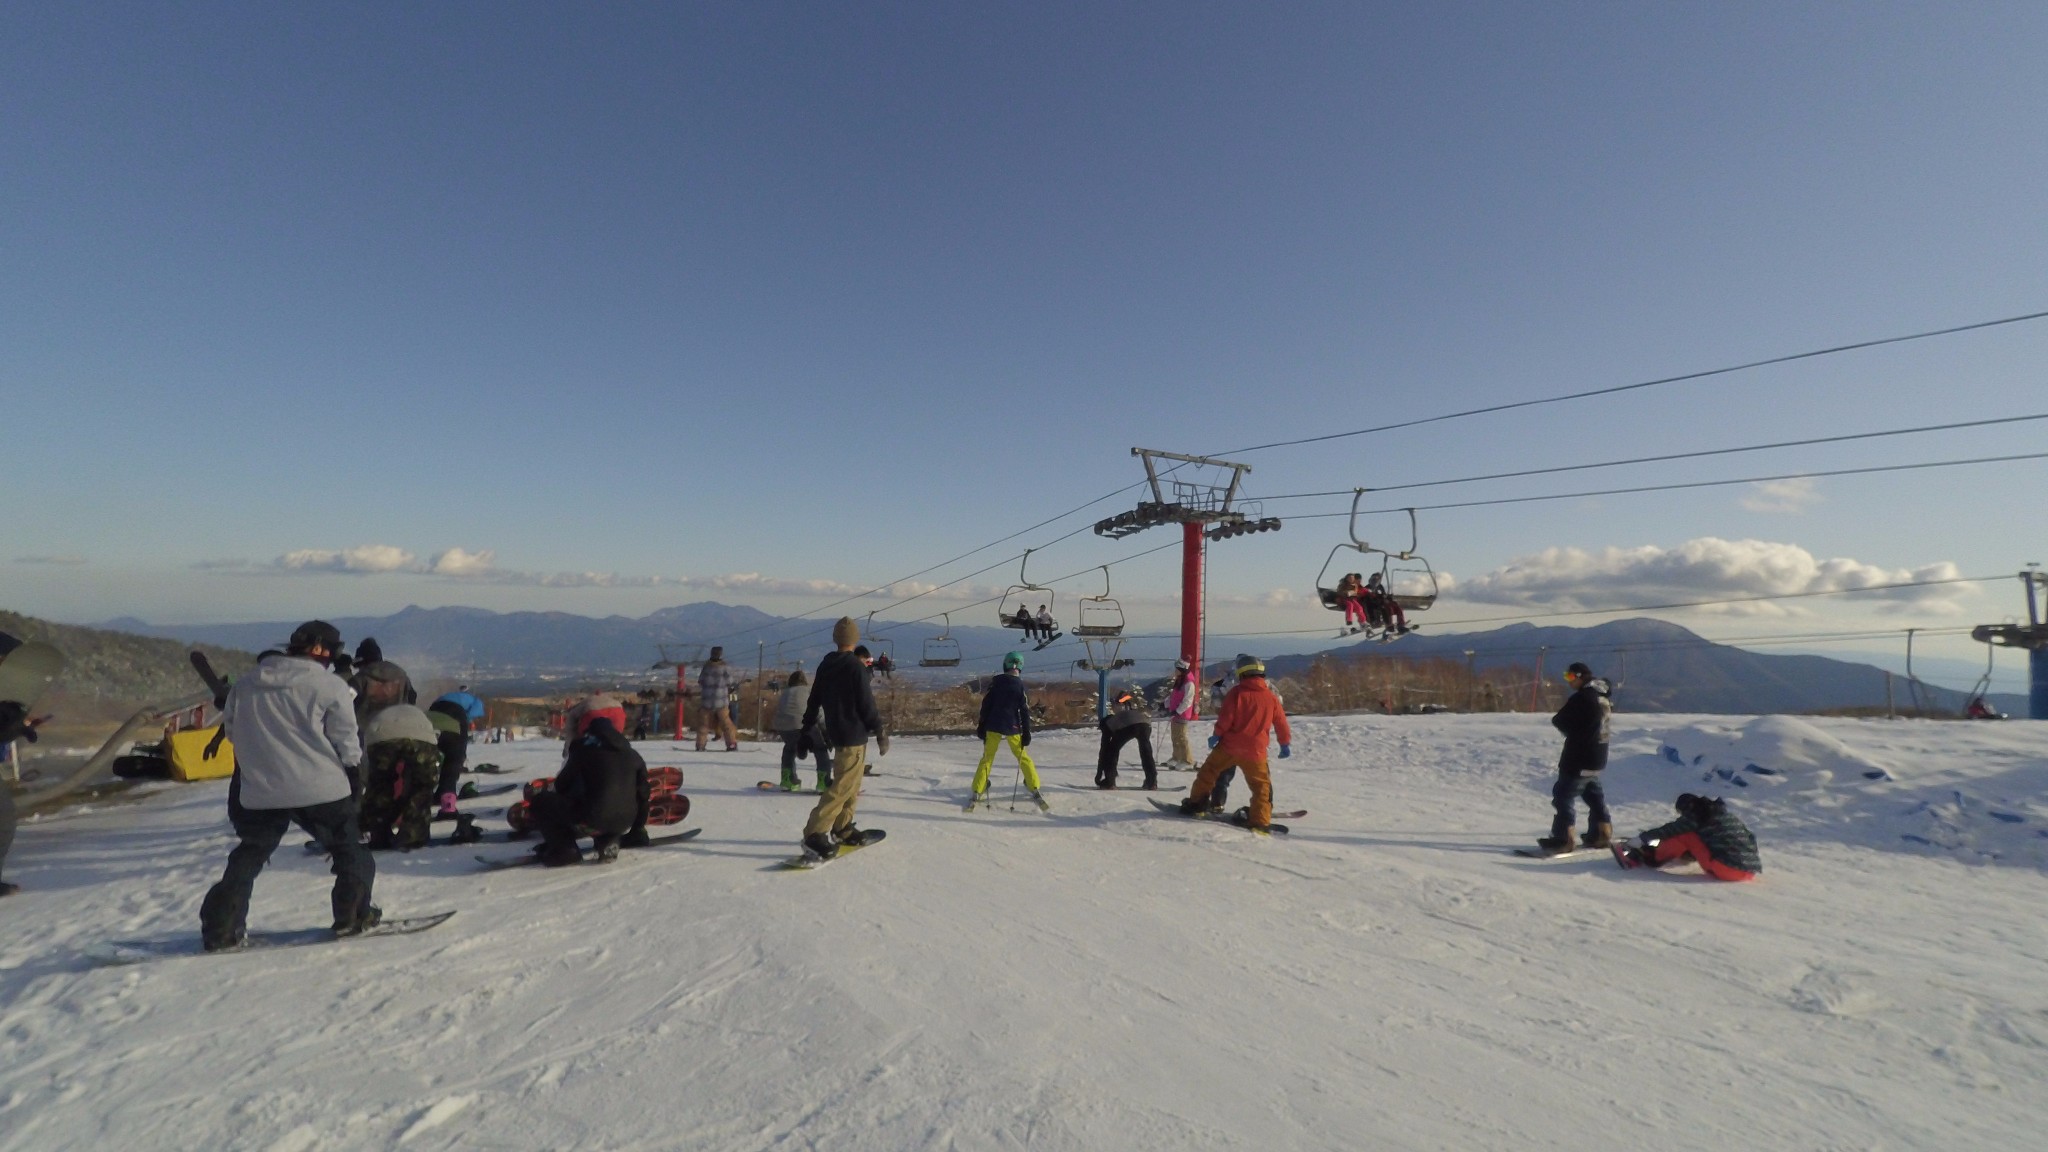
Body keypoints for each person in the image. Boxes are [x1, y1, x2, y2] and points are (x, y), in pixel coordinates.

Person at [199, 621, 377, 951]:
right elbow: (346, 739)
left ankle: (221, 928)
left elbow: (234, 734)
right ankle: (352, 915)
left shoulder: (246, 684)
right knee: (349, 848)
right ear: (324, 651)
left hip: (259, 790)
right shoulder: (329, 685)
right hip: (321, 787)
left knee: (249, 855)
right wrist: (353, 775)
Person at [797, 617, 887, 860]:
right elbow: (867, 704)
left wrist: (807, 729)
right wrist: (879, 730)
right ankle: (814, 833)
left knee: (852, 784)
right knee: (843, 786)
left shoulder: (826, 665)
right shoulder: (855, 667)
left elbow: (813, 700)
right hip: (854, 734)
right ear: (855, 639)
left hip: (837, 732)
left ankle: (842, 827)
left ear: (836, 638)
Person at [1178, 654, 1291, 830]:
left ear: (1242, 673)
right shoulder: (1271, 698)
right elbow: (1281, 723)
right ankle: (1260, 821)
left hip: (1229, 747)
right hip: (1256, 752)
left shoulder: (1236, 693)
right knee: (1261, 786)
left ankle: (1196, 805)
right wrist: (1284, 743)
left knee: (1208, 773)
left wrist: (1217, 734)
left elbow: (1226, 718)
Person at [531, 716, 652, 866]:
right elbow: (644, 794)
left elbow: (562, 785)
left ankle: (565, 849)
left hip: (593, 818)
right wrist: (638, 828)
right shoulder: (634, 756)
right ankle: (607, 841)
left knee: (541, 802)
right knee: (604, 809)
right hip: (625, 822)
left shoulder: (584, 751)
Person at [1537, 661, 1613, 854]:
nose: (1568, 682)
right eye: (1566, 677)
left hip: (1578, 757)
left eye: (1570, 677)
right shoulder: (1601, 697)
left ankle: (1564, 838)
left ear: (1580, 677)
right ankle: (1601, 832)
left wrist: (1573, 733)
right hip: (1598, 756)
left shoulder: (1582, 698)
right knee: (1593, 795)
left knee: (1563, 797)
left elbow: (1559, 719)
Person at [358, 703, 445, 850]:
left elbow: (368, 773)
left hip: (380, 735)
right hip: (421, 737)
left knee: (381, 786)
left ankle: (379, 834)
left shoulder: (382, 714)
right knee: (422, 786)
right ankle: (413, 835)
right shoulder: (422, 717)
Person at [1615, 794, 1761, 881]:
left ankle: (1652, 857)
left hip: (1726, 870)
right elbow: (1751, 838)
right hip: (1749, 872)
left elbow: (1670, 830)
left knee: (1685, 835)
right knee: (1702, 837)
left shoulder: (1697, 816)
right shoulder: (1728, 816)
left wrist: (1641, 839)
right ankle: (1688, 855)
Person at [971, 652, 1045, 807]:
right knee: (1022, 757)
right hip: (1013, 727)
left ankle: (978, 788)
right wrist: (1026, 732)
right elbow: (1024, 712)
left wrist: (982, 725)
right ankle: (1034, 786)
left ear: (1005, 665)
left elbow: (986, 706)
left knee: (987, 758)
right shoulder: (1020, 687)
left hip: (993, 725)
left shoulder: (995, 683)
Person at [771, 668, 830, 791]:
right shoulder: (809, 690)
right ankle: (823, 782)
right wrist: (826, 732)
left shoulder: (785, 692)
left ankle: (787, 780)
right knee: (820, 749)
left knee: (789, 748)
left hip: (782, 726)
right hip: (803, 724)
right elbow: (818, 712)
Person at [1096, 686, 1158, 790]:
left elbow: (1104, 750)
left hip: (1128, 726)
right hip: (1145, 723)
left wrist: (1099, 776)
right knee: (1146, 751)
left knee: (1112, 751)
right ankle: (1151, 782)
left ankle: (1110, 782)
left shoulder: (1107, 723)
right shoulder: (1124, 713)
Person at [426, 695, 472, 821]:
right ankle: (448, 806)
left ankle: (420, 801)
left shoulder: (437, 703)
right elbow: (470, 716)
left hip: (426, 726)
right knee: (452, 762)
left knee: (423, 764)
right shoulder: (470, 703)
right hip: (453, 730)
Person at [696, 646, 741, 752]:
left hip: (706, 700)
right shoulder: (724, 667)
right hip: (721, 701)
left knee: (704, 724)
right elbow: (730, 681)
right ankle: (731, 744)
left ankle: (700, 745)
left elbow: (701, 680)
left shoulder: (706, 666)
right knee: (726, 724)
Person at [1160, 658, 1199, 770]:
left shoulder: (1188, 683)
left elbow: (1188, 700)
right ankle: (1177, 757)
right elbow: (1174, 696)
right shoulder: (1180, 681)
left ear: (1182, 669)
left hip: (1182, 714)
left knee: (1181, 737)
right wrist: (1165, 704)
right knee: (1175, 736)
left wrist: (1178, 711)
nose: (1175, 671)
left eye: (1177, 669)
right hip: (1175, 713)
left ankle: (1188, 760)